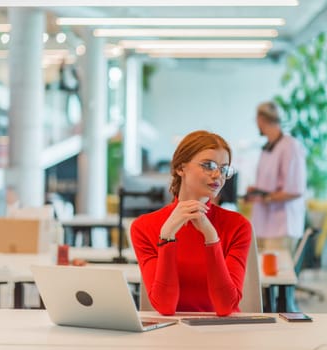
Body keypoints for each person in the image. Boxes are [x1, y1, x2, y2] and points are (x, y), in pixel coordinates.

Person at [130, 130, 252, 316]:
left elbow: (225, 306)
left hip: (224, 334)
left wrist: (211, 238)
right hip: (171, 335)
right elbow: (165, 306)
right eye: (209, 165)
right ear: (180, 168)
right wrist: (167, 237)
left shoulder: (237, 226)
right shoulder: (144, 227)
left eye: (224, 168)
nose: (217, 175)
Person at [245, 101, 307, 256]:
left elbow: (295, 190)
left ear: (262, 119)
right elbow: (270, 185)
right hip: (262, 224)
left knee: (277, 277)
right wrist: (257, 191)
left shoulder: (290, 146)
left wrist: (266, 197)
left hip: (282, 226)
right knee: (263, 276)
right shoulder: (267, 147)